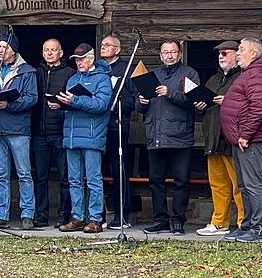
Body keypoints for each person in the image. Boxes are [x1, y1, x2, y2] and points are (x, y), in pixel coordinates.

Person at [138, 39, 199, 235]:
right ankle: (160, 220)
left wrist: (170, 92)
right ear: (160, 55)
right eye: (166, 52)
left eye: (173, 52)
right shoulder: (152, 75)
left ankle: (178, 221)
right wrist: (142, 101)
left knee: (181, 181)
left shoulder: (189, 74)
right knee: (156, 181)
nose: (169, 55)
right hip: (155, 135)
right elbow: (140, 108)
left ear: (179, 54)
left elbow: (194, 101)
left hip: (180, 135)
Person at [0, 35, 38, 230]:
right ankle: (1, 214)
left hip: (18, 129)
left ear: (14, 50)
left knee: (24, 173)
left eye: (5, 46)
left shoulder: (27, 71)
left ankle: (27, 213)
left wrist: (9, 104)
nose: (1, 50)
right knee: (0, 174)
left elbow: (31, 99)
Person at [220, 38, 262, 243]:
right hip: (241, 140)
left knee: (252, 184)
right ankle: (246, 225)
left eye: (241, 50)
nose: (237, 53)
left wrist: (246, 134)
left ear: (253, 54)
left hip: (250, 140)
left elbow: (259, 107)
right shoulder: (250, 73)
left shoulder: (257, 74)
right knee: (243, 184)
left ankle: (258, 228)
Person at [57, 43, 112, 233]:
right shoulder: (72, 79)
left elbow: (102, 104)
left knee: (94, 179)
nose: (79, 63)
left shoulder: (103, 79)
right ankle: (78, 217)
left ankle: (95, 218)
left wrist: (75, 101)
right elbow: (72, 105)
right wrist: (59, 106)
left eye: (82, 59)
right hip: (71, 136)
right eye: (76, 60)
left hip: (91, 135)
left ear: (91, 59)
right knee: (74, 180)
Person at [193, 41, 245, 236]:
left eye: (225, 53)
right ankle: (219, 222)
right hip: (212, 137)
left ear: (236, 55)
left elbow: (251, 105)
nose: (221, 57)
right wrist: (199, 105)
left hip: (232, 138)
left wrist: (229, 101)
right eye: (219, 55)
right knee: (218, 184)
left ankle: (242, 223)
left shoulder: (243, 77)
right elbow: (204, 108)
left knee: (239, 185)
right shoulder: (213, 79)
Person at [31, 38, 75, 228]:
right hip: (39, 132)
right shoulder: (35, 73)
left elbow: (76, 102)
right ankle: (41, 215)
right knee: (40, 176)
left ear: (61, 53)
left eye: (53, 50)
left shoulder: (70, 73)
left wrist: (62, 105)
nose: (49, 53)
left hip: (61, 131)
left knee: (65, 177)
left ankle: (64, 214)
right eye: (46, 50)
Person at [100, 35, 138, 230]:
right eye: (102, 45)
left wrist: (119, 103)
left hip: (118, 123)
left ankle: (122, 214)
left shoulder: (128, 70)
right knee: (97, 171)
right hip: (98, 124)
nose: (103, 47)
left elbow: (136, 100)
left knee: (118, 170)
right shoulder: (97, 68)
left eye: (108, 45)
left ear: (117, 49)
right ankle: (98, 214)